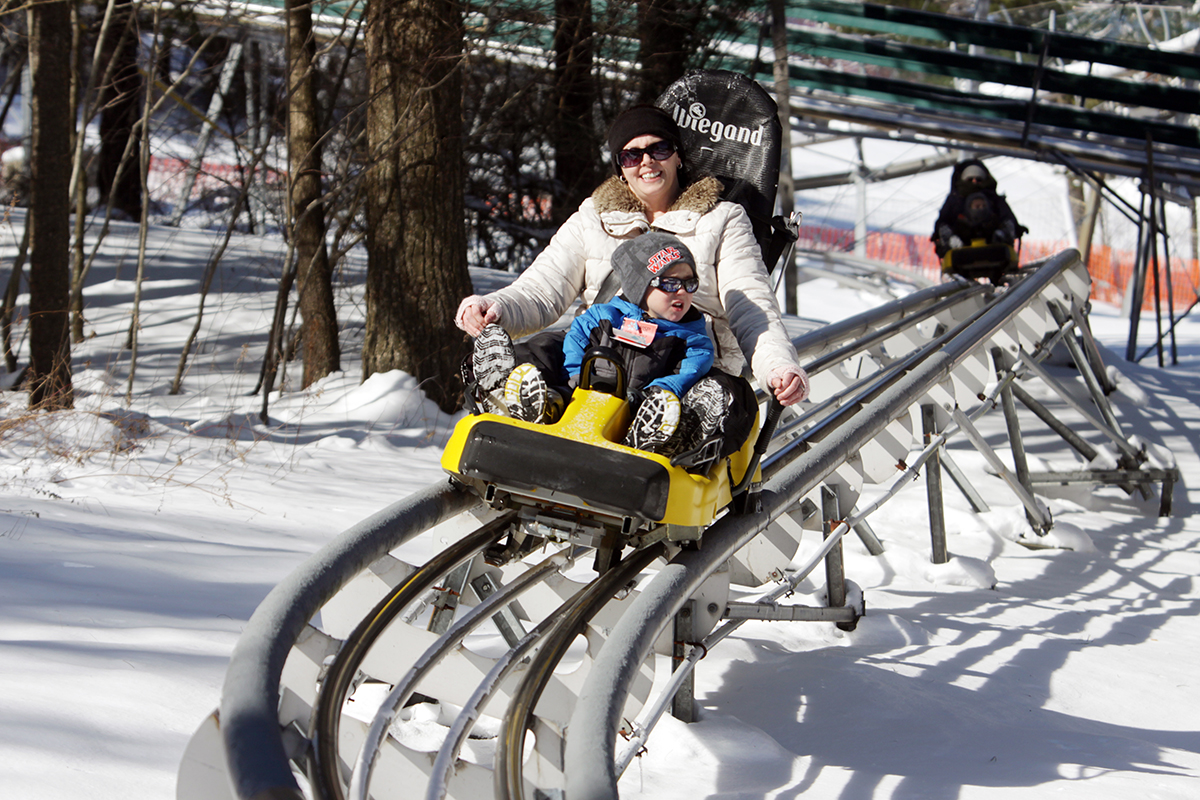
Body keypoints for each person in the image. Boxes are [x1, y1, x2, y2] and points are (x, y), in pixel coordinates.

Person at [456, 103, 809, 465]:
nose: (647, 162)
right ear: (620, 168)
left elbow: (751, 306)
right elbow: (543, 286)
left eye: (659, 149)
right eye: (632, 154)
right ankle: (525, 400)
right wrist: (495, 307)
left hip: (683, 363)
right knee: (539, 350)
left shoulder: (722, 220)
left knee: (731, 399)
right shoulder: (594, 217)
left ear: (678, 157)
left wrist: (778, 368)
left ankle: (667, 432)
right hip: (603, 352)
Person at [470, 232, 715, 455]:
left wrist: (650, 398)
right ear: (640, 287)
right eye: (670, 284)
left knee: (669, 408)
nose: (681, 292)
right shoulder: (605, 316)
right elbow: (576, 339)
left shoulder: (692, 340)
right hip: (579, 395)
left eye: (689, 284)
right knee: (544, 346)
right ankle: (521, 400)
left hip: (634, 411)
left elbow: (684, 377)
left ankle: (644, 437)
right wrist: (576, 376)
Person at [932, 159, 1027, 258]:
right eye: (970, 179)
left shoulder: (994, 199)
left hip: (991, 237)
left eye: (978, 179)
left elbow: (1007, 216)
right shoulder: (954, 200)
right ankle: (953, 243)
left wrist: (1007, 231)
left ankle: (1000, 239)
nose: (974, 182)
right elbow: (943, 220)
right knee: (944, 228)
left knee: (1007, 225)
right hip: (961, 238)